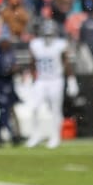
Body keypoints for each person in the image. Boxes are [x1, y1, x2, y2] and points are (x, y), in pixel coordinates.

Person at [25, 20, 70, 149]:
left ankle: (55, 136)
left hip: (56, 79)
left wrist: (71, 79)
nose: (48, 37)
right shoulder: (36, 44)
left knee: (55, 109)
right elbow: (32, 62)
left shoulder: (60, 45)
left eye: (50, 35)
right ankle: (35, 135)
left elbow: (66, 62)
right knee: (34, 107)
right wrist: (32, 77)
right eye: (46, 35)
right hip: (41, 80)